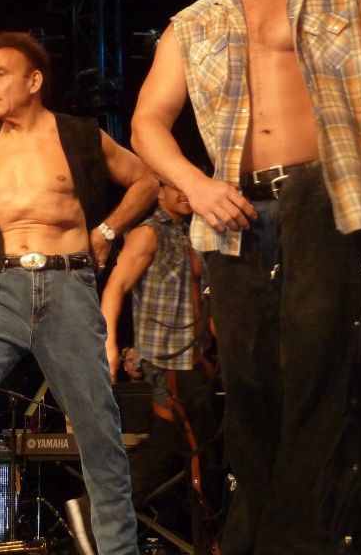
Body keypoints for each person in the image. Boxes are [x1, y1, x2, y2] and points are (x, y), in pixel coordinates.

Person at [130, 0, 361, 554]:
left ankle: (307, 544)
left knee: (322, 379)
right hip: (237, 214)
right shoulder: (191, 24)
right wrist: (198, 185)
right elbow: (146, 122)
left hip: (325, 195)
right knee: (252, 390)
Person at [0, 31, 158, 555]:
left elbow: (146, 182)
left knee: (98, 431)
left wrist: (106, 232)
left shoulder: (79, 135)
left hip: (67, 286)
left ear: (34, 80)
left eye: (0, 74)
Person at [101, 182, 221, 554]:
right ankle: (99, 512)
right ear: (158, 191)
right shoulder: (148, 233)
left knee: (176, 452)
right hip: (169, 362)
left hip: (195, 362)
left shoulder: (192, 232)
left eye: (188, 186)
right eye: (175, 186)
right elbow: (115, 287)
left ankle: (99, 512)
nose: (185, 193)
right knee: (194, 455)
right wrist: (108, 345)